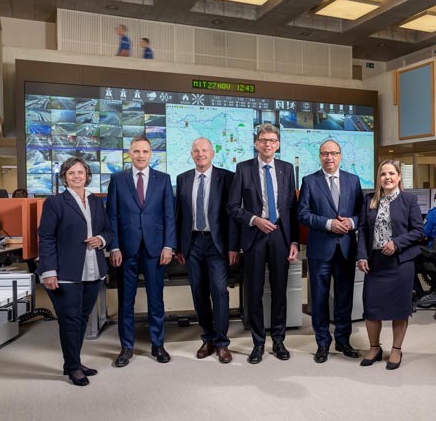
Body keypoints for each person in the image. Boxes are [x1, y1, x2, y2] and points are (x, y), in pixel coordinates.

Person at [37, 157, 113, 386]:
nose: (76, 176)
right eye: (71, 173)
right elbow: (47, 237)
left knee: (81, 319)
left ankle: (74, 361)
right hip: (65, 271)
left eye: (80, 172)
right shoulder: (55, 202)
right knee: (70, 321)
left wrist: (100, 239)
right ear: (64, 177)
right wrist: (49, 271)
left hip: (93, 269)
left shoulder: (95, 201)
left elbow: (108, 230)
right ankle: (72, 367)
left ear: (87, 175)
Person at [227, 123, 299, 364]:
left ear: (277, 145)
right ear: (256, 143)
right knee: (254, 292)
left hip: (280, 235)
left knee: (280, 291)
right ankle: (258, 343)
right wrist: (255, 220)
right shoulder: (243, 169)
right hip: (254, 236)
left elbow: (291, 208)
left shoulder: (287, 169)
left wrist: (295, 241)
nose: (268, 144)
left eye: (272, 140)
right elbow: (233, 207)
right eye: (263, 140)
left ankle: (278, 341)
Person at [107, 136, 175, 367]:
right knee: (126, 300)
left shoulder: (163, 180)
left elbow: (169, 216)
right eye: (136, 151)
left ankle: (158, 344)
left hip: (156, 248)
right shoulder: (118, 180)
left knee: (156, 299)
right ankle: (126, 347)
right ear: (129, 153)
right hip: (126, 249)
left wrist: (168, 246)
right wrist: (114, 246)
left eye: (145, 151)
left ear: (151, 153)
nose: (141, 155)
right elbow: (112, 217)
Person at [298, 140, 363, 363]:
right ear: (319, 156)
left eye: (333, 153)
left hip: (345, 249)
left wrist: (351, 223)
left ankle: (343, 341)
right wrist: (328, 223)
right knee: (319, 299)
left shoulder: (353, 181)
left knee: (344, 299)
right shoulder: (309, 181)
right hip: (320, 251)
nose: (329, 158)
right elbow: (303, 214)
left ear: (340, 156)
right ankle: (323, 343)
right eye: (325, 153)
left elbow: (360, 213)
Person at [175, 138, 240, 363]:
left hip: (217, 244)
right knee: (198, 291)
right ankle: (208, 338)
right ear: (191, 154)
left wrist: (233, 246)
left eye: (204, 150)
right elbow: (179, 216)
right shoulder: (182, 179)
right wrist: (179, 247)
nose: (200, 154)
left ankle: (222, 342)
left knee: (219, 291)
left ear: (212, 153)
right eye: (196, 151)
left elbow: (232, 215)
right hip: (192, 242)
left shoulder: (227, 177)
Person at [356, 160, 423, 370]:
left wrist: (397, 243)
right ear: (379, 178)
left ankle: (396, 349)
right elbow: (364, 230)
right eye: (383, 174)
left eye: (392, 173)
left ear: (399, 177)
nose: (388, 177)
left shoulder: (408, 200)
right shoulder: (370, 200)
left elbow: (418, 231)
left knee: (399, 309)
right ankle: (374, 348)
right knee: (371, 308)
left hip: (400, 263)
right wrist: (362, 256)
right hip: (376, 263)